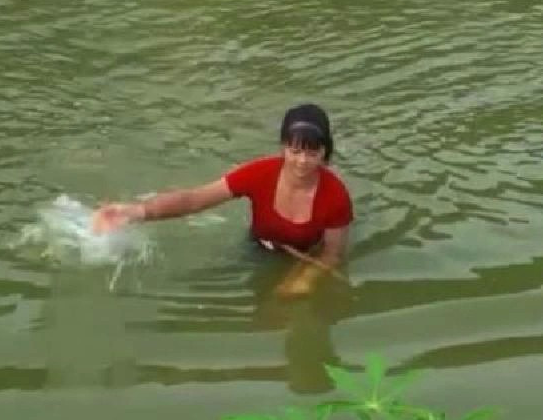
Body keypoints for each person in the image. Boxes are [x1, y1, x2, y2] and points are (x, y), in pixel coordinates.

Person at [94, 104, 354, 295]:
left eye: (312, 153)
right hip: (259, 246)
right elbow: (194, 199)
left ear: (325, 152)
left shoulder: (336, 196)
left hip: (306, 255)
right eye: (295, 151)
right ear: (283, 148)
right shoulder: (259, 173)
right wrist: (137, 212)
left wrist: (305, 280)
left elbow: (332, 254)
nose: (302, 161)